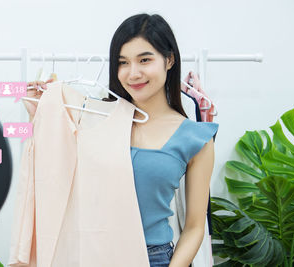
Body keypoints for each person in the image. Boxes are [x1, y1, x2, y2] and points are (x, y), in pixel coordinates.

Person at [22, 13, 216, 267]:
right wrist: (41, 116)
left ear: (169, 60)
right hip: (89, 255)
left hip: (154, 259)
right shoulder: (91, 118)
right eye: (123, 62)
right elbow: (57, 180)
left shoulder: (196, 137)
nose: (133, 73)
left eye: (144, 60)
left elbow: (194, 227)